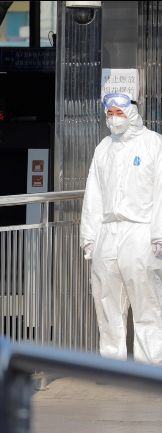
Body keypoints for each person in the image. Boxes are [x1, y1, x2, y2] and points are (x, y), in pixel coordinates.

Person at [81, 92, 162, 364]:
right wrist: (89, 236)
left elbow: (161, 192)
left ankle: (150, 365)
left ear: (133, 113)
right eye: (109, 113)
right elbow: (94, 194)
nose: (113, 119)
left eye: (118, 112)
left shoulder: (154, 144)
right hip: (108, 231)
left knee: (146, 302)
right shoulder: (103, 147)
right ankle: (111, 364)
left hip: (141, 231)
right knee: (106, 302)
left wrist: (159, 234)